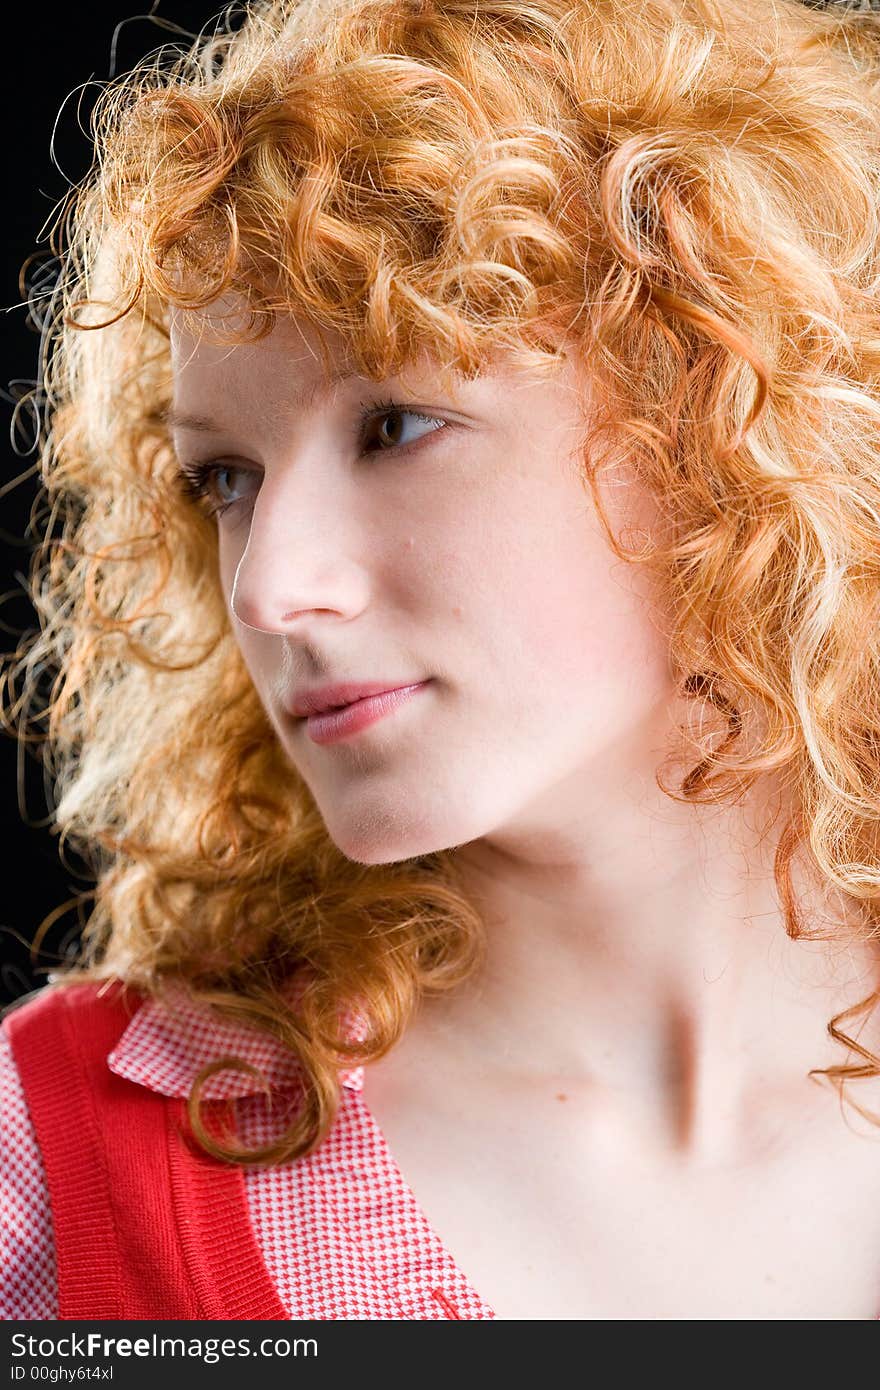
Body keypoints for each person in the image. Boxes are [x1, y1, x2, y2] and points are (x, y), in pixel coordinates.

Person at [3, 0, 880, 1322]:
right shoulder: (61, 1152)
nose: (274, 587)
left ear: (720, 413)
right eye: (223, 476)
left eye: (396, 423)